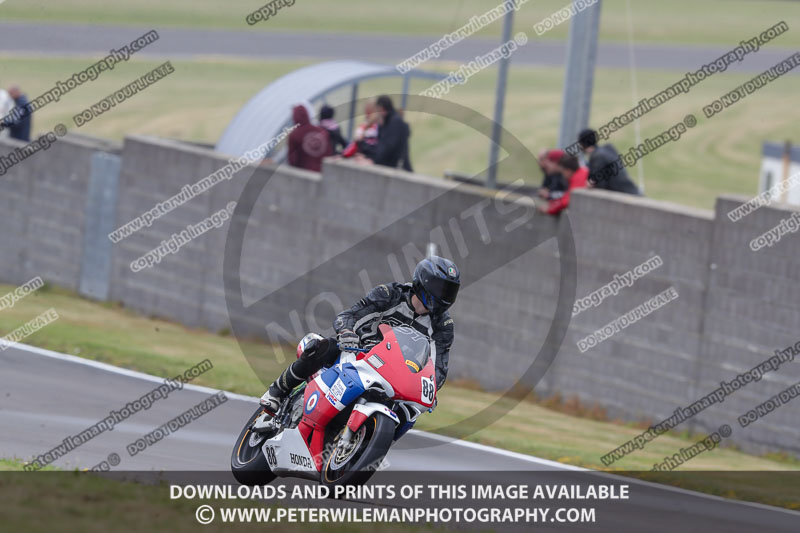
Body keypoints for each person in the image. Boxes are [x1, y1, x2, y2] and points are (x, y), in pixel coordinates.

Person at [259, 256, 460, 418]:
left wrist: (431, 388)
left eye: (450, 291)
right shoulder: (390, 294)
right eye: (441, 288)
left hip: (397, 374)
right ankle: (277, 391)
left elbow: (439, 366)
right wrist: (347, 333)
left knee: (409, 413)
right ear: (423, 281)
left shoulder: (442, 325)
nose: (444, 296)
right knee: (320, 346)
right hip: (358, 352)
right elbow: (349, 315)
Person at [577, 129, 640, 195]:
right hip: (633, 193)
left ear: (582, 144)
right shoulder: (607, 149)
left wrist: (590, 184)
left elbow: (600, 187)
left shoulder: (597, 157)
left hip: (625, 197)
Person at [369, 95, 412, 172]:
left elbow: (388, 147)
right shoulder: (388, 121)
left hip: (398, 168)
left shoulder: (395, 122)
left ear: (381, 108)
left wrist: (373, 161)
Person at [287, 104, 331, 172]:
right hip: (324, 173)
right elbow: (329, 153)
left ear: (294, 117)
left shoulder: (294, 135)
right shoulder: (321, 131)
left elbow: (292, 160)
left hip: (305, 175)